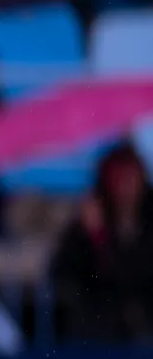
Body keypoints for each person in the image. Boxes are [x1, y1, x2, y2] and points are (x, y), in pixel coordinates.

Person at [50, 141, 153, 343]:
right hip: (99, 335)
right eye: (119, 178)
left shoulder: (150, 221)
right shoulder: (85, 225)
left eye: (131, 177)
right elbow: (61, 274)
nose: (126, 186)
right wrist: (93, 237)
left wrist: (103, 240)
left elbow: (135, 277)